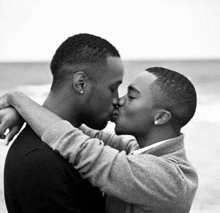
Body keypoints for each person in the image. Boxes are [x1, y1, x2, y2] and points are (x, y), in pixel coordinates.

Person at [0, 67, 198, 213]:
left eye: (131, 96)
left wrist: (17, 99)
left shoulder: (167, 178)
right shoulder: (140, 151)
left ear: (161, 117)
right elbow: (81, 132)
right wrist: (25, 113)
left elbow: (78, 146)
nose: (119, 101)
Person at [0, 33, 125, 213]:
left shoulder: (74, 146)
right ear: (81, 84)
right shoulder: (40, 162)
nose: (117, 100)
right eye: (112, 89)